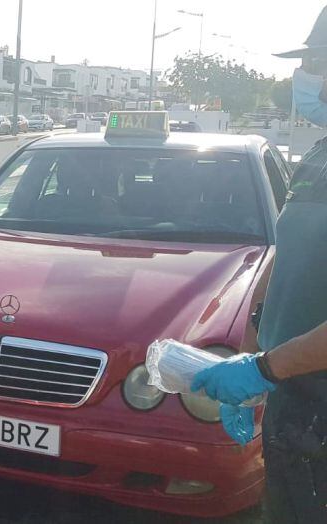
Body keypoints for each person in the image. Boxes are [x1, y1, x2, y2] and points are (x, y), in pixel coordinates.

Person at [191, 6, 327, 523]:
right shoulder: (319, 154)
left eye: (319, 60)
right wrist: (251, 347)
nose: (310, 76)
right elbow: (285, 252)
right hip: (294, 397)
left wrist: (265, 368)